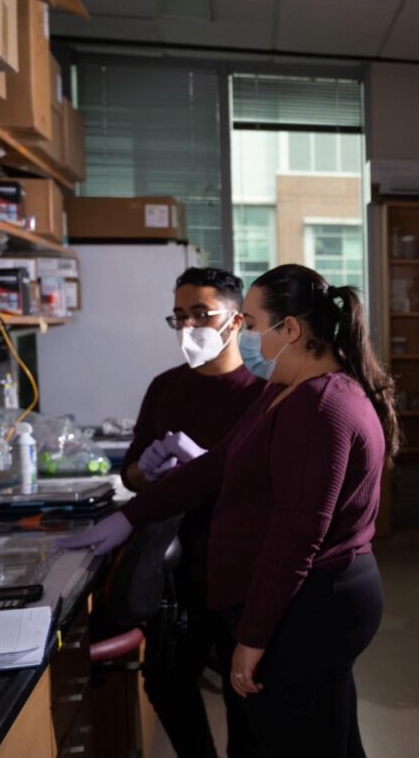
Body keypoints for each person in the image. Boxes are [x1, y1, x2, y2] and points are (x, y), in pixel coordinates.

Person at [62, 264, 398, 758]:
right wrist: (128, 518)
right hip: (314, 598)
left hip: (313, 603)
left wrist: (253, 636)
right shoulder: (287, 392)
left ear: (291, 330)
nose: (252, 343)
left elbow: (297, 534)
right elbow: (217, 464)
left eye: (257, 328)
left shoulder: (320, 403)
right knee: (334, 741)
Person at [121, 267, 266, 758]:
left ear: (238, 321)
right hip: (175, 577)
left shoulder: (263, 398)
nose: (189, 327)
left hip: (237, 573)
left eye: (201, 314)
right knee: (164, 682)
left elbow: (271, 493)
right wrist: (149, 468)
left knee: (244, 694)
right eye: (179, 316)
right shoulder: (165, 388)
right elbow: (131, 476)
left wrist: (210, 471)